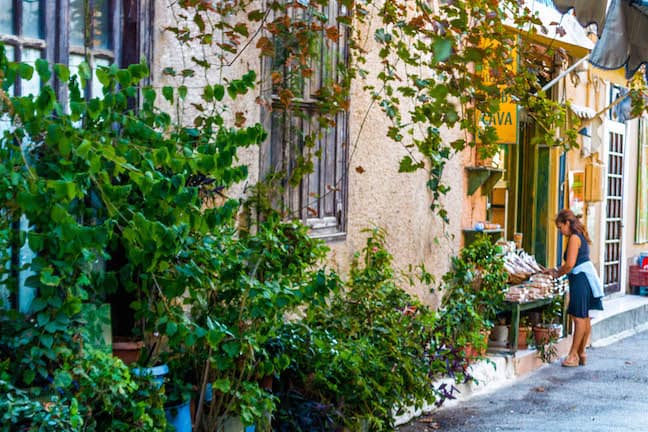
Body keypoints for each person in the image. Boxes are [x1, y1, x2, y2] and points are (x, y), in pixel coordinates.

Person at [547, 209, 604, 367]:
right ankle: (581, 353)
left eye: (560, 227)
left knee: (578, 318)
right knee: (585, 318)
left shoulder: (573, 238)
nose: (560, 231)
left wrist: (557, 273)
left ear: (567, 223)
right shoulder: (581, 237)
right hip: (586, 278)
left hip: (579, 279)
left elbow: (570, 264)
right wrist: (557, 269)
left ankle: (573, 355)